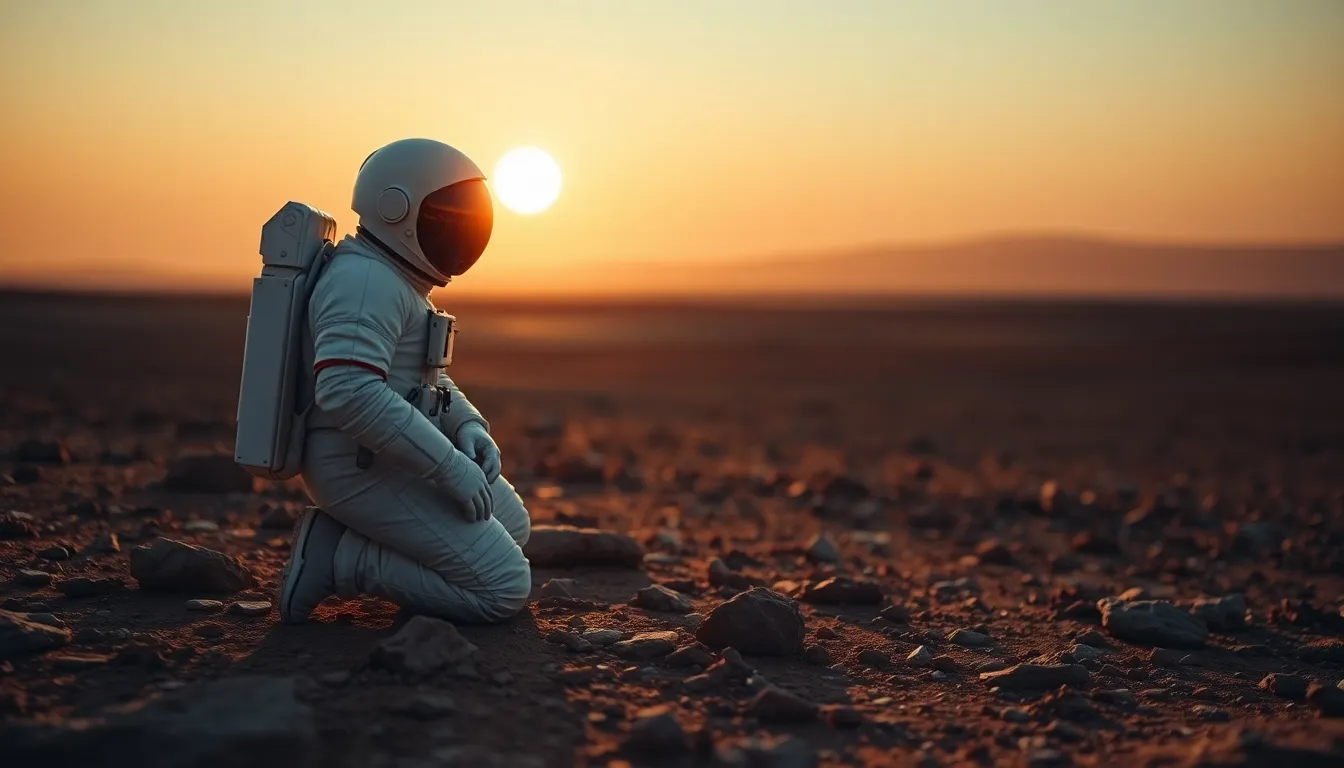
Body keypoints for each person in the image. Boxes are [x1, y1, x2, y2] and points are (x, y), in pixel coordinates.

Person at [277, 138, 532, 625]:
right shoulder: (366, 283)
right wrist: (450, 469)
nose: (461, 231)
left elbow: (424, 382)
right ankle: (340, 558)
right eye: (449, 217)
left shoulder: (394, 281)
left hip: (389, 456)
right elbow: (348, 392)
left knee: (512, 525)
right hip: (357, 465)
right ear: (396, 209)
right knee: (503, 587)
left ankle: (366, 539)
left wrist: (468, 429)